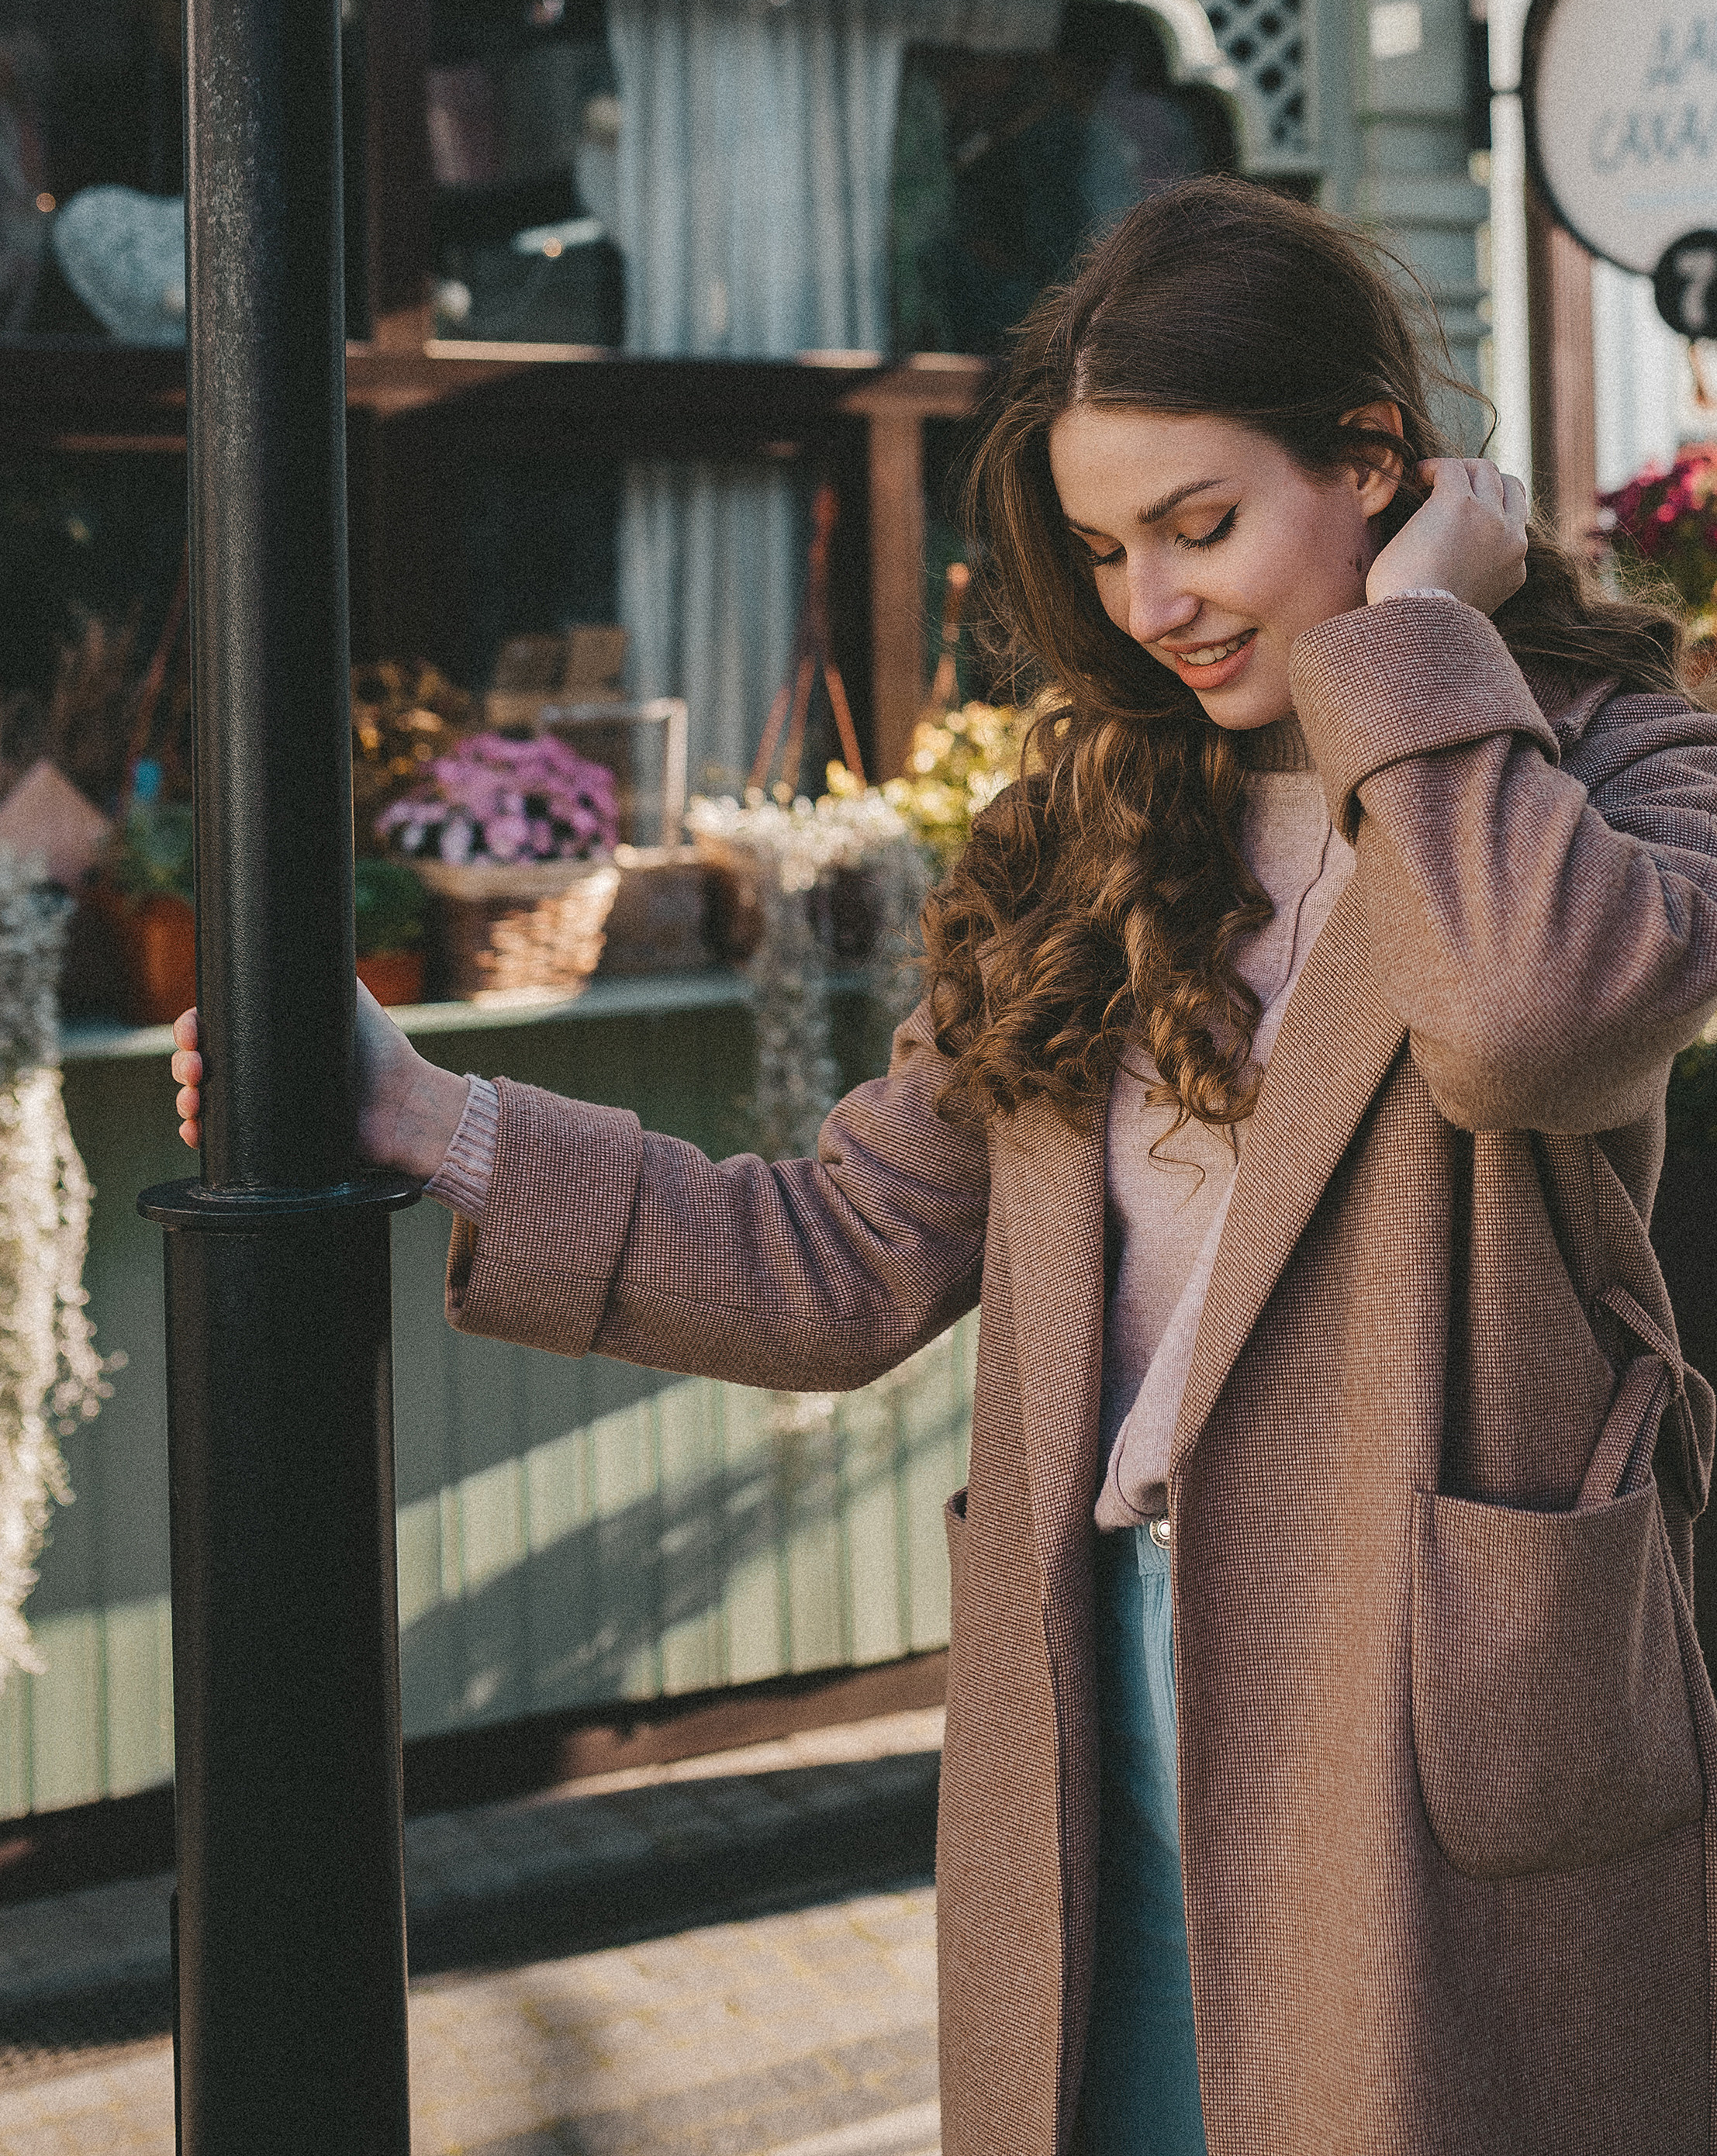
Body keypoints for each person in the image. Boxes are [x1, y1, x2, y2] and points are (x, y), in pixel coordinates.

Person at [171, 178, 1717, 2155]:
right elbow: (836, 1257)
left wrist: (1414, 647)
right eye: (1107, 546)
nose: (1155, 601)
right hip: (1098, 1703)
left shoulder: (1606, 763)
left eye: (1202, 523)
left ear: (1376, 464)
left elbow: (1531, 1027)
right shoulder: (1082, 836)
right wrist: (426, 1115)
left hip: (1437, 1720)